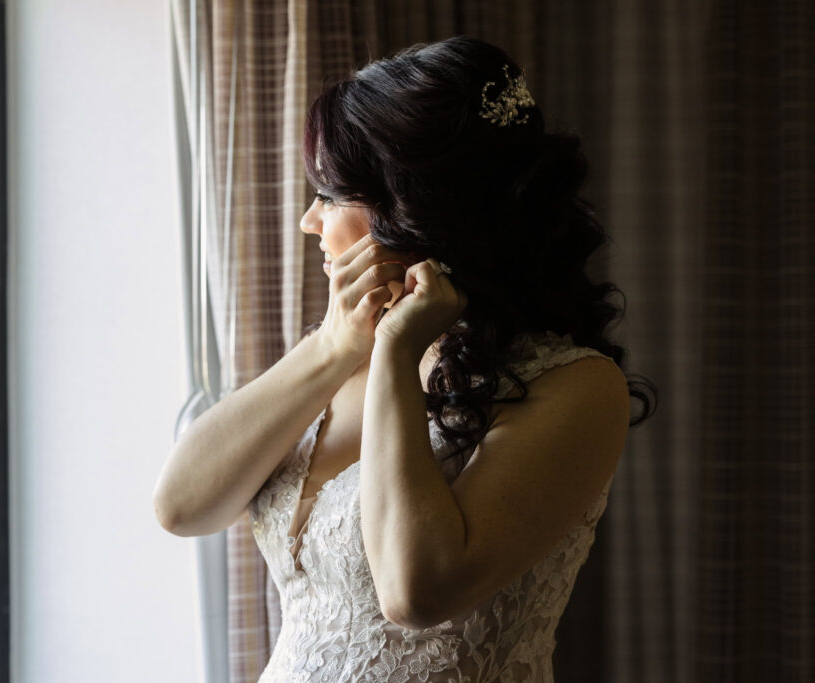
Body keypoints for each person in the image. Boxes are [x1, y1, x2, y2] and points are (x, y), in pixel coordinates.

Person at [154, 35, 656, 682]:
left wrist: (395, 351)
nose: (309, 220)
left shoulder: (577, 386)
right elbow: (181, 505)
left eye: (329, 195)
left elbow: (414, 592)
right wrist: (334, 345)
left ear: (409, 213)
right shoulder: (343, 348)